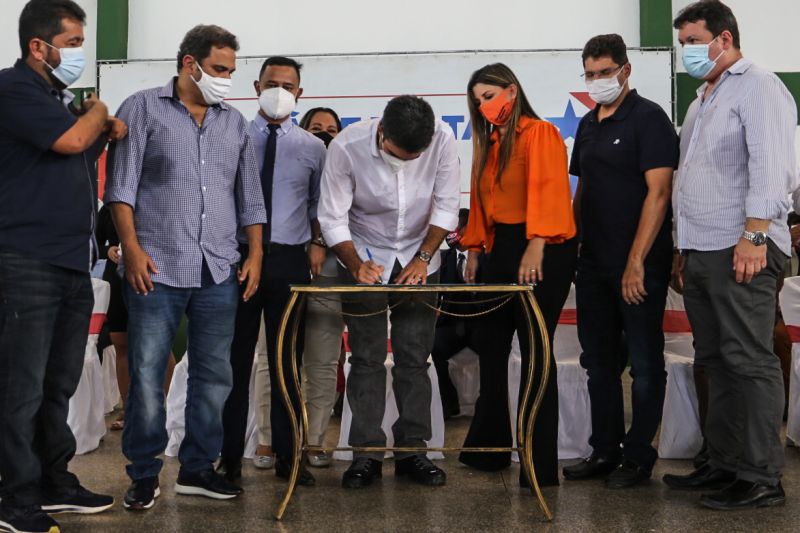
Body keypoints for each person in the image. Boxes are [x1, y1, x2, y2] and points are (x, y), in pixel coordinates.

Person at [106, 24, 266, 510]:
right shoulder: (142, 108)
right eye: (219, 70)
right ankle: (144, 472)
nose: (225, 80)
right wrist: (129, 247)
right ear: (189, 63)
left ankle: (198, 469)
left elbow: (250, 197)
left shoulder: (234, 123)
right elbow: (121, 188)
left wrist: (255, 252)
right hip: (155, 266)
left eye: (231, 72)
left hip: (219, 266)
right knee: (149, 375)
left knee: (214, 376)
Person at [663, 0, 798, 510]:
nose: (687, 52)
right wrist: (682, 245)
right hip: (702, 248)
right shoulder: (702, 101)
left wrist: (756, 234)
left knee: (748, 359)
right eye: (682, 45)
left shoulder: (758, 86)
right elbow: (691, 179)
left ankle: (761, 474)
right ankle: (722, 461)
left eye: (694, 42)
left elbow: (771, 165)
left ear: (724, 37)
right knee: (715, 359)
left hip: (741, 246)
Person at [0, 1, 125, 531]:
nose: (77, 53)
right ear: (38, 46)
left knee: (58, 384)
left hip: (71, 261)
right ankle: (14, 498)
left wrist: (99, 133)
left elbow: (74, 154)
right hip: (23, 260)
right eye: (72, 43)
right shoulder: (13, 89)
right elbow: (72, 139)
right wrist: (97, 113)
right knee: (20, 387)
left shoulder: (52, 97)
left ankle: (54, 482)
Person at [318, 95, 460, 488]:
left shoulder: (443, 139)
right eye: (400, 154)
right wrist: (354, 263)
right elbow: (332, 215)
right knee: (365, 359)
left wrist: (423, 257)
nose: (408, 162)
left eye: (416, 157)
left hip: (421, 256)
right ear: (382, 132)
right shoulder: (348, 146)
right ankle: (365, 455)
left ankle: (413, 450)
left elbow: (447, 206)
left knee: (415, 358)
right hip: (364, 254)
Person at [560, 34, 678, 489]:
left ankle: (639, 456)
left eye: (604, 72)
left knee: (646, 365)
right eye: (589, 74)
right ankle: (605, 450)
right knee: (599, 362)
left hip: (639, 264)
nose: (596, 81)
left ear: (625, 71)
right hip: (592, 263)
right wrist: (572, 245)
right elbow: (583, 188)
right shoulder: (589, 123)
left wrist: (635, 262)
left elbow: (659, 192)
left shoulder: (648, 119)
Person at [458, 63, 577, 487]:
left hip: (542, 248)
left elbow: (549, 188)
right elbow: (480, 201)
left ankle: (538, 466)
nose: (484, 106)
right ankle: (487, 451)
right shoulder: (488, 141)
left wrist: (538, 241)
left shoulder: (539, 132)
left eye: (488, 96)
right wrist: (474, 247)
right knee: (489, 345)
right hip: (499, 248)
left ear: (511, 90)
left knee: (534, 354)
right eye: (477, 101)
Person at [218, 56, 326, 488]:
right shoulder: (231, 135)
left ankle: (288, 455)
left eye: (288, 84)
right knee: (235, 362)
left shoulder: (312, 147)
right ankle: (228, 460)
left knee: (286, 361)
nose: (279, 90)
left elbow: (318, 206)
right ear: (256, 85)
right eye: (272, 82)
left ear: (300, 93)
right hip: (237, 258)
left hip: (288, 260)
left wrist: (317, 244)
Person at [94, 203, 177, 431]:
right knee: (122, 343)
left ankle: (170, 407)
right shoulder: (109, 208)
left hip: (150, 274)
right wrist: (108, 250)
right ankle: (129, 408)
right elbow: (96, 242)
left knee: (158, 344)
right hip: (116, 277)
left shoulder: (154, 198)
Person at [298, 106, 346, 468]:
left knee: (324, 361)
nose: (324, 135)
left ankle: (315, 439)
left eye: (331, 129)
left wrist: (321, 240)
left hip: (330, 271)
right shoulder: (289, 165)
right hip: (285, 265)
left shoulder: (346, 171)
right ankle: (273, 439)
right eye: (316, 128)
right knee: (277, 359)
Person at [431, 208, 482, 419]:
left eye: (459, 227)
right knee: (432, 347)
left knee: (495, 351)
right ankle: (447, 404)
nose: (454, 232)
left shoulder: (485, 259)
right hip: (451, 325)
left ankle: (485, 406)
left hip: (481, 324)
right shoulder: (444, 258)